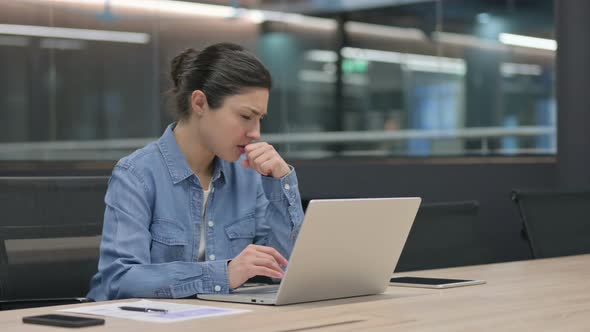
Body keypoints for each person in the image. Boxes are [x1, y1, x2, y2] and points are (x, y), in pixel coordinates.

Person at [87, 43, 304, 301]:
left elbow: (286, 268)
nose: (256, 133)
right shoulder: (137, 174)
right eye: (246, 116)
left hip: (217, 317)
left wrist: (280, 182)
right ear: (200, 103)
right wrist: (223, 274)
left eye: (260, 119)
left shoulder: (248, 175)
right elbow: (120, 279)